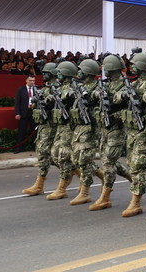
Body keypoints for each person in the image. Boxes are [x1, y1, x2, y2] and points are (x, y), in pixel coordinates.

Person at [89, 54, 132, 211]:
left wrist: (113, 113)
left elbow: (129, 109)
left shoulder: (125, 87)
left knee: (108, 164)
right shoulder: (105, 86)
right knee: (109, 162)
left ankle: (105, 197)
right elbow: (92, 100)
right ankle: (137, 179)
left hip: (117, 130)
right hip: (104, 130)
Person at [119, 51, 146, 217]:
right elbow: (117, 100)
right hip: (132, 130)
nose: (131, 66)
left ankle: (136, 202)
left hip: (145, 130)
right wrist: (122, 94)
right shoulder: (133, 84)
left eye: (135, 64)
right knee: (134, 165)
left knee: (137, 166)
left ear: (142, 66)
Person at [68, 59, 102, 205]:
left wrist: (90, 95)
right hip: (79, 129)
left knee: (84, 160)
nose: (79, 72)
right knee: (76, 159)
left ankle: (85, 192)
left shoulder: (97, 87)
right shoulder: (79, 86)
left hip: (90, 129)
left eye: (81, 70)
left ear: (88, 72)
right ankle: (104, 177)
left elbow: (101, 102)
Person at [22, 63, 58, 196]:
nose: (43, 75)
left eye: (45, 73)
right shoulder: (43, 89)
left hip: (54, 128)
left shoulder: (58, 90)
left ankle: (83, 180)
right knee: (44, 155)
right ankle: (39, 184)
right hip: (44, 126)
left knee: (58, 158)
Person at [47, 61, 79, 200]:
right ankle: (86, 173)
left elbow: (74, 95)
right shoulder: (60, 87)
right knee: (54, 155)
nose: (57, 74)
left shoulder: (74, 87)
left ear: (66, 73)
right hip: (60, 125)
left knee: (63, 156)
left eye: (60, 72)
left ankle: (62, 188)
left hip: (70, 126)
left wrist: (66, 95)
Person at [14, 75, 37, 153]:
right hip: (23, 113)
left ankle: (35, 147)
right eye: (30, 80)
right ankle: (19, 148)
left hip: (34, 113)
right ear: (26, 81)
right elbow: (17, 102)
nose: (32, 82)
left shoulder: (36, 89)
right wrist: (17, 113)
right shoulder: (21, 89)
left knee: (34, 131)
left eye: (33, 81)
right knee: (21, 131)